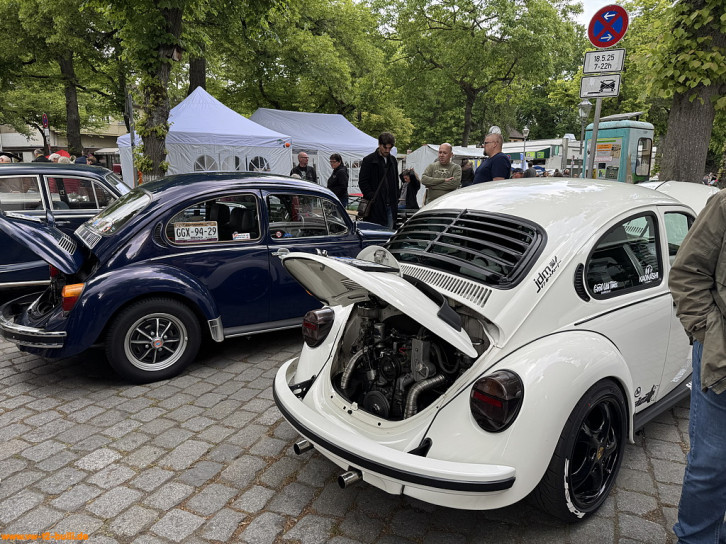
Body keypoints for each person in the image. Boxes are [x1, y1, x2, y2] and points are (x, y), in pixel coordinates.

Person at [669, 190, 726, 543]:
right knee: (711, 463)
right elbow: (687, 275)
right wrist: (711, 336)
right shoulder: (724, 206)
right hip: (722, 360)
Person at [358, 132, 399, 228]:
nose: (387, 150)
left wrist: (396, 196)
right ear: (379, 145)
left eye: (390, 148)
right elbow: (363, 182)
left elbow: (396, 181)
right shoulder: (368, 160)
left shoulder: (393, 160)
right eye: (385, 147)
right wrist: (372, 197)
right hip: (375, 207)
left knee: (389, 234)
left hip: (390, 205)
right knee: (376, 233)